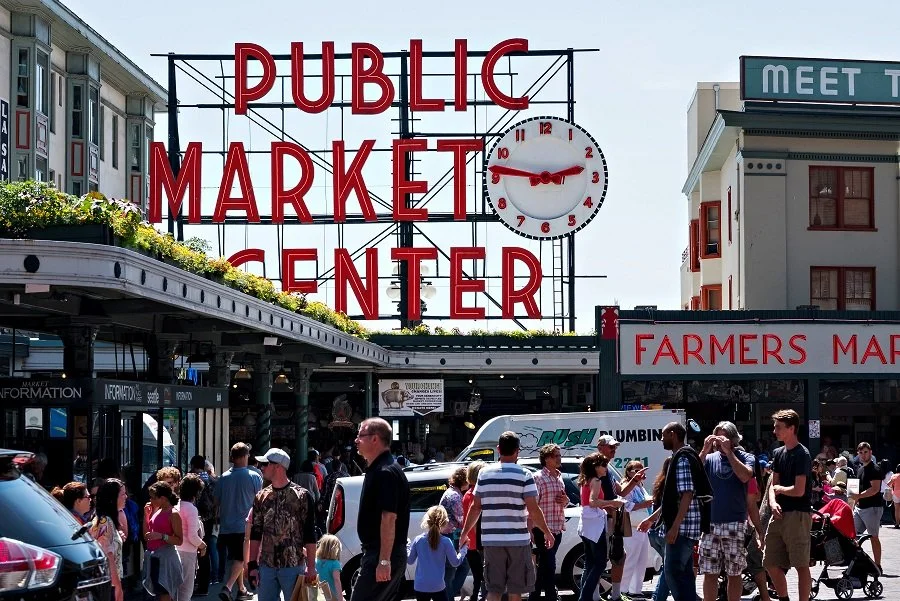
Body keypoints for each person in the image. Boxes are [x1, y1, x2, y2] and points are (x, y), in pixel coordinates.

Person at [459, 431, 555, 601]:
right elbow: (533, 509)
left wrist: (464, 533)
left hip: (491, 541)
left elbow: (475, 508)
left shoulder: (484, 474)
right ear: (517, 451)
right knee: (515, 591)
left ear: (498, 449)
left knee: (493, 590)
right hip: (518, 540)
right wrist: (547, 532)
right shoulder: (525, 475)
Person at [638, 421, 711, 601]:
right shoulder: (682, 456)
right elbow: (671, 500)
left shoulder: (682, 458)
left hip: (682, 529)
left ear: (672, 434)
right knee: (683, 575)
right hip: (684, 528)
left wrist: (675, 527)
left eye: (663, 435)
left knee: (673, 573)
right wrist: (652, 519)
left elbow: (687, 494)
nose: (661, 439)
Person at [350, 418, 410, 601]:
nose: (356, 440)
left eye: (360, 435)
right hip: (380, 553)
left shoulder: (385, 472)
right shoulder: (381, 469)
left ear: (375, 439)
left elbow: (389, 518)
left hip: (382, 554)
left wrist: (384, 560)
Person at [246, 448, 317, 601]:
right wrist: (252, 565)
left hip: (293, 565)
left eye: (265, 464)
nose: (261, 467)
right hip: (266, 566)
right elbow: (256, 532)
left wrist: (311, 567)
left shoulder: (302, 496)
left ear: (278, 466)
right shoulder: (261, 497)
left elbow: (310, 534)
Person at [698, 421, 754, 601]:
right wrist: (704, 450)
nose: (719, 442)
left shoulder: (746, 457)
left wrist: (729, 453)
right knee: (709, 572)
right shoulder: (709, 458)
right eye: (717, 438)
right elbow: (693, 473)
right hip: (710, 523)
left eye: (723, 438)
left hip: (734, 522)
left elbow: (745, 476)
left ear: (734, 439)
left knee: (734, 572)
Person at [763, 409, 812, 601]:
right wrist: (773, 502)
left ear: (791, 428)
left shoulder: (802, 454)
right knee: (769, 562)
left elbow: (799, 490)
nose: (774, 431)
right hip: (778, 514)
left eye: (778, 427)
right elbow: (772, 485)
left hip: (798, 515)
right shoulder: (778, 452)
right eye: (774, 427)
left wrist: (780, 490)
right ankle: (784, 599)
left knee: (801, 565)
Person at [597, 435, 648, 601]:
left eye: (615, 447)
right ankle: (594, 595)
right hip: (602, 518)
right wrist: (609, 505)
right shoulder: (595, 467)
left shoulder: (607, 469)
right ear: (600, 448)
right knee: (599, 559)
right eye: (611, 446)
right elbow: (592, 496)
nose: (614, 450)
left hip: (615, 519)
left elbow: (622, 491)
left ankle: (616, 595)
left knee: (619, 556)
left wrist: (635, 480)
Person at [216, 443, 263, 601]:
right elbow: (260, 502)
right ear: (244, 456)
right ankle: (228, 587)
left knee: (237, 558)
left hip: (226, 526)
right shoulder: (254, 476)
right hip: (244, 526)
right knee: (241, 558)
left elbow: (216, 501)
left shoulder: (223, 478)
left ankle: (241, 589)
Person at [577, 453, 624, 601]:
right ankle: (585, 597)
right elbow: (593, 502)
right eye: (603, 465)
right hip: (595, 525)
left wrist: (607, 504)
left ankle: (584, 597)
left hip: (586, 524)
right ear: (595, 467)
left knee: (590, 563)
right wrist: (612, 503)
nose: (605, 468)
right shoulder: (596, 481)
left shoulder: (585, 480)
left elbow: (588, 502)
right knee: (600, 563)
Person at [531, 444, 568, 601]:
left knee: (545, 566)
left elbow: (564, 501)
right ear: (546, 459)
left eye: (559, 455)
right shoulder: (538, 478)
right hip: (543, 529)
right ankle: (551, 596)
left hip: (557, 527)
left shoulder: (559, 477)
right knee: (549, 565)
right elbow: (532, 505)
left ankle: (534, 596)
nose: (559, 458)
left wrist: (565, 500)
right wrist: (531, 529)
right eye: (555, 456)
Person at [408, 505, 468, 601]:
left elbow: (410, 561)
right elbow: (455, 563)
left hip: (420, 586)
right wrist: (464, 549)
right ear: (444, 522)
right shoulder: (446, 541)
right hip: (438, 586)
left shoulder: (418, 540)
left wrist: (407, 546)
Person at [144, 481, 185, 601]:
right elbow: (146, 535)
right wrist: (146, 516)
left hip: (166, 560)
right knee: (157, 594)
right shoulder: (157, 511)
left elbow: (179, 540)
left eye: (153, 498)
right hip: (154, 558)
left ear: (163, 498)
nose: (150, 500)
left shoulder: (173, 514)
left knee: (165, 594)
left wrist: (162, 536)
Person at [91, 479, 128, 601]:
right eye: (122, 494)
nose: (126, 497)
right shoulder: (105, 521)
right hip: (110, 585)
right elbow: (108, 555)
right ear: (112, 498)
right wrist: (117, 586)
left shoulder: (105, 520)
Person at [621, 460, 653, 599]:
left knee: (642, 560)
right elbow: (625, 504)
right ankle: (623, 589)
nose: (641, 473)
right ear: (629, 472)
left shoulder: (640, 486)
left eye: (642, 470)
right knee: (630, 560)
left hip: (642, 528)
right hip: (632, 528)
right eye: (636, 471)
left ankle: (635, 590)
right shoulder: (626, 485)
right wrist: (642, 505)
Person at [850, 442, 883, 573]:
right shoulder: (860, 469)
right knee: (852, 537)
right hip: (860, 508)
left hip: (872, 507)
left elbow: (875, 489)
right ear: (858, 454)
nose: (863, 455)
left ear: (870, 452)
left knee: (873, 537)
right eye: (861, 453)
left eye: (865, 452)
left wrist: (858, 496)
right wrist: (854, 502)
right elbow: (857, 490)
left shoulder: (875, 469)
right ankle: (857, 563)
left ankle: (877, 566)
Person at [175, 473, 207, 601]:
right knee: (185, 590)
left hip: (175, 550)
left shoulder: (175, 506)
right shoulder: (191, 509)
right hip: (188, 553)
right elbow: (192, 536)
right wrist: (203, 545)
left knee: (175, 590)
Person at [439, 466, 469, 601]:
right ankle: (448, 596)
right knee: (451, 569)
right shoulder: (454, 496)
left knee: (459, 566)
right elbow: (461, 518)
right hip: (450, 536)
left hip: (451, 535)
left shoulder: (452, 492)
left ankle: (448, 594)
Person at [189, 455, 217, 596]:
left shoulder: (193, 480)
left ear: (193, 465)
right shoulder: (212, 479)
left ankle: (198, 584)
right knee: (206, 550)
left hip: (197, 517)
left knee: (197, 550)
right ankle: (205, 584)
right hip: (209, 518)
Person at [461, 461, 487, 601]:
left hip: (471, 543)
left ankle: (475, 596)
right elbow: (476, 522)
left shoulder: (467, 494)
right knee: (484, 575)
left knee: (478, 576)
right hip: (478, 543)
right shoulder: (476, 495)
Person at [647, 458, 671, 601]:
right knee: (669, 568)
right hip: (663, 531)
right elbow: (665, 506)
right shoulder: (671, 484)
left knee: (669, 566)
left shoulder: (659, 483)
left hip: (653, 532)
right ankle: (658, 597)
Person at [316, 534, 344, 601]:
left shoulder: (316, 561)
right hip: (332, 596)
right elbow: (337, 580)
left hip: (318, 595)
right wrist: (341, 598)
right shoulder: (335, 564)